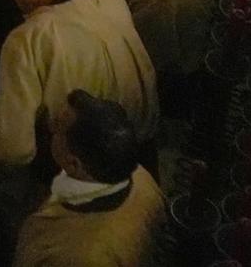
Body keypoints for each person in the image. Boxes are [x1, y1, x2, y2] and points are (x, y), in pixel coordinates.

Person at [0, 0, 158, 179]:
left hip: (79, 167)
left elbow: (13, 148)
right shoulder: (114, 4)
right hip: (140, 147)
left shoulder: (28, 39)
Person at [11, 89, 165, 267]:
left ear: (74, 164)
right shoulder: (140, 177)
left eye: (58, 127)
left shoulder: (73, 256)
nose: (50, 125)